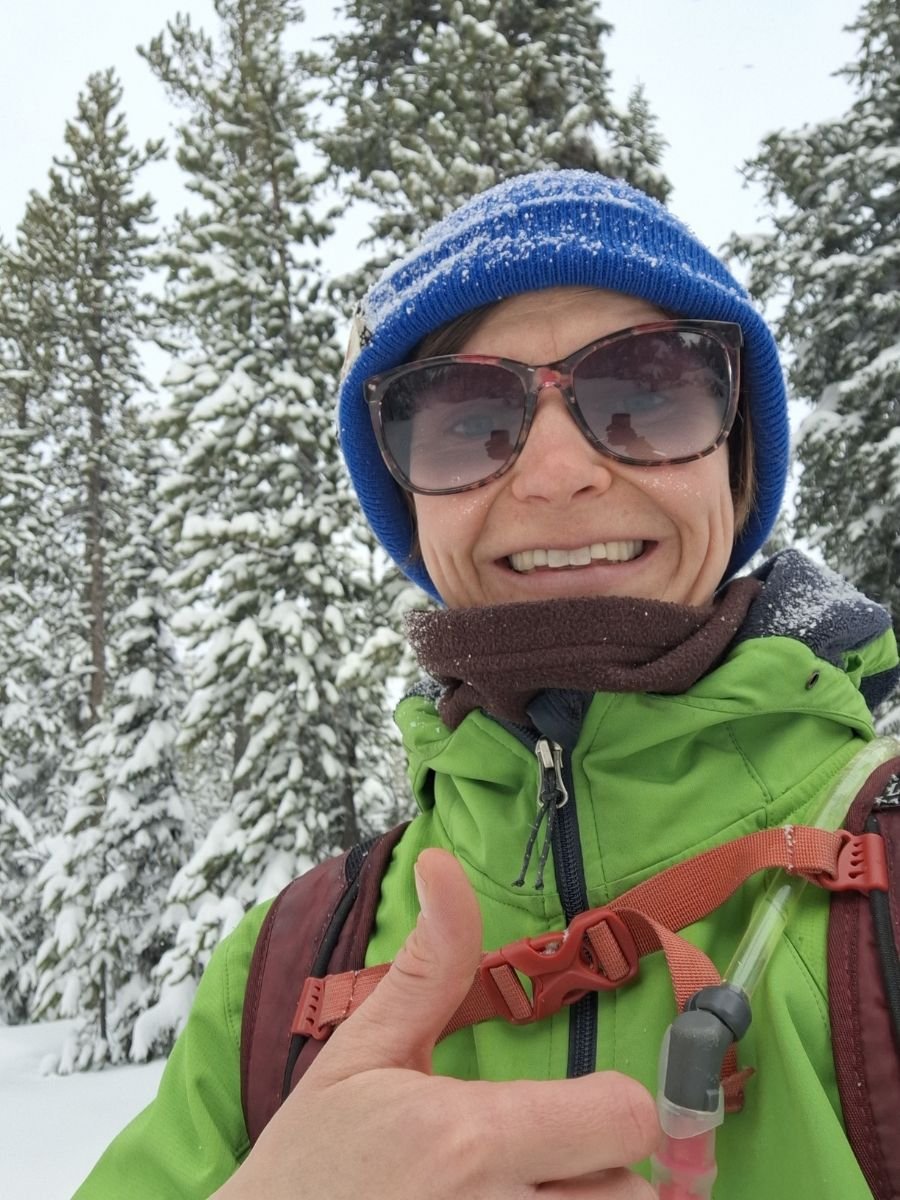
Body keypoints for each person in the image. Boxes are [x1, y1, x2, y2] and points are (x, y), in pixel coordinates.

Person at [74, 170, 898, 1200]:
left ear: (732, 465)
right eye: (468, 419)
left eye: (645, 392)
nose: (556, 472)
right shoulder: (280, 977)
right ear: (411, 509)